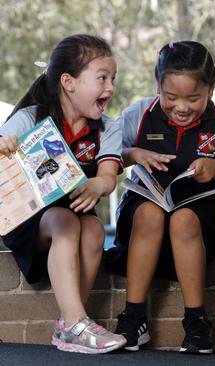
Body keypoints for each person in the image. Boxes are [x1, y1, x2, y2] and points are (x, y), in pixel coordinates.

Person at [106, 40, 215, 354]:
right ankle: (134, 318)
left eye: (193, 98)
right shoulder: (138, 113)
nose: (182, 107)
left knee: (183, 219)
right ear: (158, 86)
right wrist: (133, 154)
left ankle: (197, 322)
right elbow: (108, 160)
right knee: (149, 214)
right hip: (145, 206)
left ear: (210, 89)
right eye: (170, 97)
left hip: (202, 216)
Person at [0, 34, 126, 353]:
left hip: (76, 215)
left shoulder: (107, 129)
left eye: (113, 79)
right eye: (102, 78)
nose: (110, 87)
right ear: (68, 82)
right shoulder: (30, 118)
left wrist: (99, 183)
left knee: (95, 228)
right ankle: (75, 325)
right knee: (65, 221)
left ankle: (70, 323)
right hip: (29, 220)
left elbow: (109, 177)